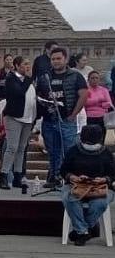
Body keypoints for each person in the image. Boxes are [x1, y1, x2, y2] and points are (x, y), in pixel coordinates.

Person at [37, 47, 88, 187]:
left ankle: (71, 179)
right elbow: (38, 94)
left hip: (66, 120)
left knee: (69, 151)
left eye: (59, 58)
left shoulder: (75, 76)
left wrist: (73, 115)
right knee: (53, 151)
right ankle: (54, 177)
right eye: (53, 59)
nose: (56, 61)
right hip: (49, 120)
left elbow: (84, 95)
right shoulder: (45, 77)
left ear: (65, 59)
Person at [60, 124, 115, 245]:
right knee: (70, 199)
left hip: (100, 187)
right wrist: (73, 177)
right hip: (76, 185)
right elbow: (63, 170)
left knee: (100, 203)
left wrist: (103, 179)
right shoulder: (73, 151)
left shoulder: (106, 153)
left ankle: (81, 230)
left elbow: (112, 174)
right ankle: (85, 230)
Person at [0, 57, 37, 189]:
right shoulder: (11, 78)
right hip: (14, 117)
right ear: (16, 66)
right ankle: (4, 175)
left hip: (28, 118)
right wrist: (28, 79)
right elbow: (19, 93)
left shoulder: (30, 81)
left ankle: (18, 176)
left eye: (29, 64)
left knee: (22, 148)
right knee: (12, 147)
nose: (28, 66)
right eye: (25, 64)